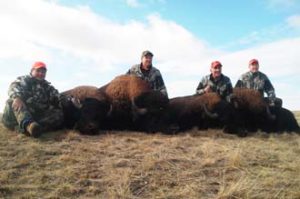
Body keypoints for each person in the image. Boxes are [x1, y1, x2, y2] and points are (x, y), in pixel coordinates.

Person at [1, 61, 64, 138]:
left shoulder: (48, 87)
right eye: (38, 71)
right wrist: (16, 97)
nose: (41, 74)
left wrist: (71, 102)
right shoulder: (24, 80)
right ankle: (28, 126)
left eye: (43, 72)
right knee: (13, 101)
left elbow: (58, 97)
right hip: (15, 117)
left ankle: (33, 128)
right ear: (32, 71)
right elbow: (13, 87)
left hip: (35, 115)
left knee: (58, 113)